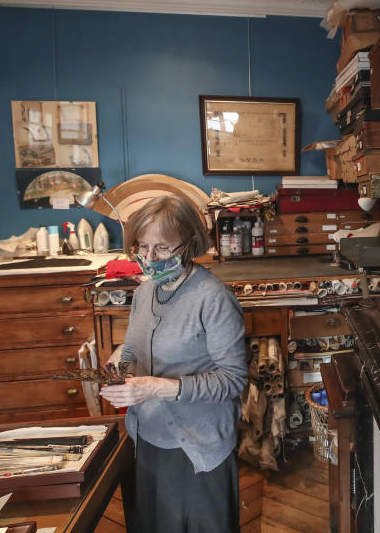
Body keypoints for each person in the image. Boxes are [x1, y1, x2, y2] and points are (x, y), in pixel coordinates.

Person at [99, 195, 246, 533]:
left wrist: (159, 387)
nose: (149, 258)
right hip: (149, 435)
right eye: (142, 246)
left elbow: (233, 379)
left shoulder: (213, 298)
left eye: (162, 248)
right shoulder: (147, 291)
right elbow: (134, 347)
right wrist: (119, 361)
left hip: (197, 442)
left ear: (190, 243)